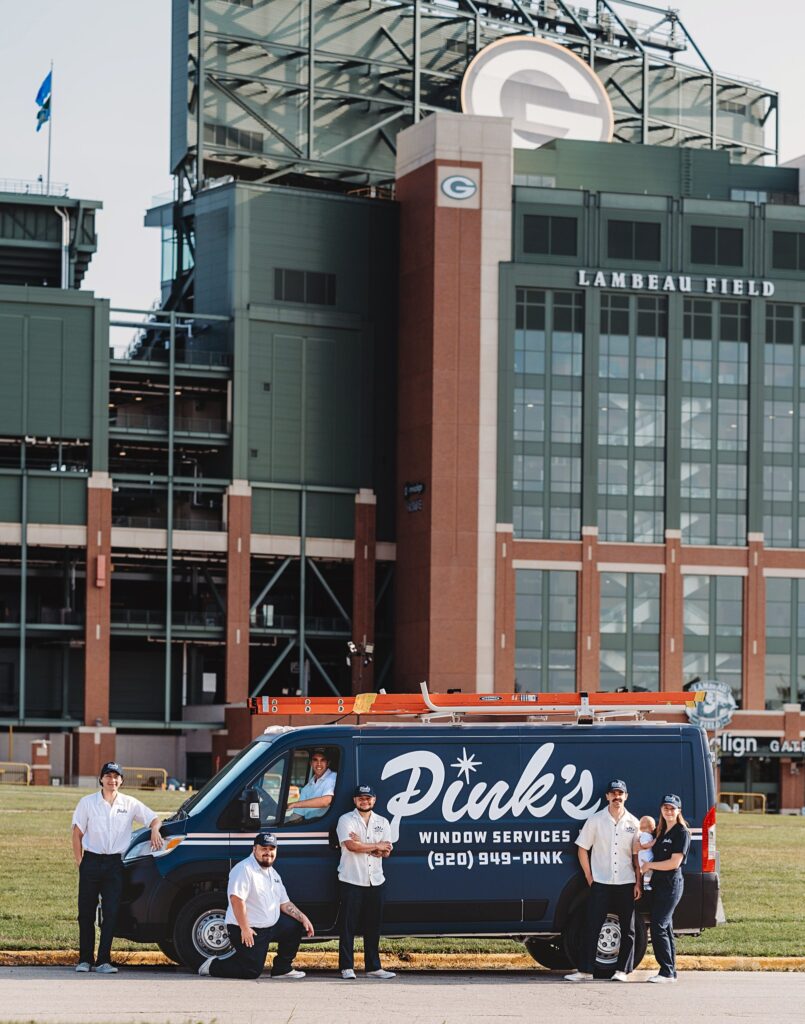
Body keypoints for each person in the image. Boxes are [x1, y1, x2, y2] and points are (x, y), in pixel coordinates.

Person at [71, 761, 163, 974]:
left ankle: (103, 960)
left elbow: (154, 819)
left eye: (116, 777)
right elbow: (77, 834)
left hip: (114, 865)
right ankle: (85, 959)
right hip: (91, 862)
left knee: (111, 912)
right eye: (108, 776)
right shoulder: (87, 803)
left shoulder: (129, 803)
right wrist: (80, 862)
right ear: (101, 779)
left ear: (121, 781)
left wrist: (155, 830)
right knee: (86, 913)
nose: (112, 780)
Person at [199, 831, 314, 979]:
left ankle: (282, 969)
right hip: (249, 929)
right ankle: (212, 966)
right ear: (254, 849)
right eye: (263, 848)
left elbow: (284, 903)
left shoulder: (273, 874)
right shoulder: (244, 869)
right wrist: (245, 928)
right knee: (251, 971)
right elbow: (236, 900)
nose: (268, 853)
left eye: (271, 849)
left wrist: (303, 917)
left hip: (271, 926)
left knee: (294, 925)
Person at [565, 778, 641, 983]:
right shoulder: (595, 820)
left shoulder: (634, 824)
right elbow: (582, 849)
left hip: (626, 882)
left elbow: (637, 857)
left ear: (626, 796)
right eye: (613, 793)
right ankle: (585, 971)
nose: (617, 797)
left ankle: (623, 971)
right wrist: (589, 877)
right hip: (601, 883)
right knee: (592, 926)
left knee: (628, 929)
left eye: (620, 793)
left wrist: (638, 882)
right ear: (607, 796)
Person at [336, 784, 395, 980]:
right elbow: (351, 846)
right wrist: (375, 846)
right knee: (348, 926)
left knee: (373, 926)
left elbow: (386, 851)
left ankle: (373, 967)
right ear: (355, 800)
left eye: (368, 798)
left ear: (374, 800)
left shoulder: (383, 822)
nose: (365, 801)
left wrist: (364, 844)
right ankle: (346, 967)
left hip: (376, 881)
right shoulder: (346, 820)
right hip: (351, 879)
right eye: (361, 798)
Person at [641, 794, 691, 983]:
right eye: (665, 808)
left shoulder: (681, 832)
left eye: (672, 808)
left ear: (679, 811)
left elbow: (674, 863)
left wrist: (649, 866)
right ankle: (670, 971)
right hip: (658, 884)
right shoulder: (661, 831)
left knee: (658, 926)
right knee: (666, 927)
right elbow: (649, 845)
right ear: (661, 809)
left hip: (671, 885)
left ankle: (666, 972)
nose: (669, 811)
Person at [286, 748, 337, 822]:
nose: (319, 764)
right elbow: (298, 814)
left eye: (322, 760)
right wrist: (287, 823)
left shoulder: (332, 777)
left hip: (322, 824)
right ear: (311, 763)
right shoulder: (308, 785)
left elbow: (326, 801)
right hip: (308, 823)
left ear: (327, 763)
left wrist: (294, 804)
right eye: (315, 760)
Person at [635, 815, 656, 891]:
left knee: (649, 871)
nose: (654, 828)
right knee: (649, 870)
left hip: (647, 857)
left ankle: (646, 883)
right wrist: (653, 842)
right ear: (651, 827)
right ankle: (646, 884)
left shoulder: (646, 835)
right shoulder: (644, 835)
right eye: (653, 826)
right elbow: (644, 845)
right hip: (645, 858)